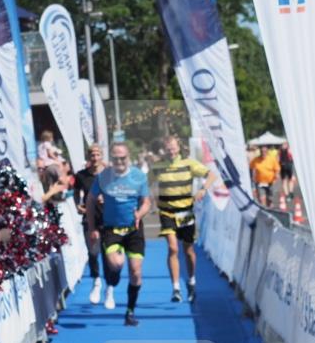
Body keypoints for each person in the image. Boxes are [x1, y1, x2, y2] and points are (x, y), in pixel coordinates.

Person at [86, 142, 150, 325]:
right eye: (115, 158)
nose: (119, 161)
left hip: (133, 229)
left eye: (123, 158)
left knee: (136, 273)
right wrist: (92, 228)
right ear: (111, 158)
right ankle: (112, 278)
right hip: (111, 229)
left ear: (128, 157)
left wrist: (140, 213)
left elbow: (146, 202)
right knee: (116, 264)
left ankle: (130, 312)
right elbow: (90, 201)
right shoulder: (103, 177)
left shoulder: (138, 176)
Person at [151, 135, 215, 303]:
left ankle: (192, 281)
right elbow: (147, 184)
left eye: (173, 147)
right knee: (173, 249)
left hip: (185, 212)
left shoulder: (188, 164)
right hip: (166, 213)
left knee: (188, 250)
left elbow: (211, 175)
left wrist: (203, 190)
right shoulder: (158, 166)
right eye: (168, 148)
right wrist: (150, 199)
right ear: (164, 149)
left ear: (178, 148)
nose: (171, 150)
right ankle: (176, 288)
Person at [74, 144, 106, 304]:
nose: (95, 158)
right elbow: (75, 192)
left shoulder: (109, 174)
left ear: (101, 156)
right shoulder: (81, 176)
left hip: (108, 217)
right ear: (88, 157)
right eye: (92, 155)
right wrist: (77, 205)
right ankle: (96, 281)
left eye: (98, 155)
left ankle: (110, 286)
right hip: (90, 217)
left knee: (108, 253)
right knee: (93, 252)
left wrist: (107, 198)